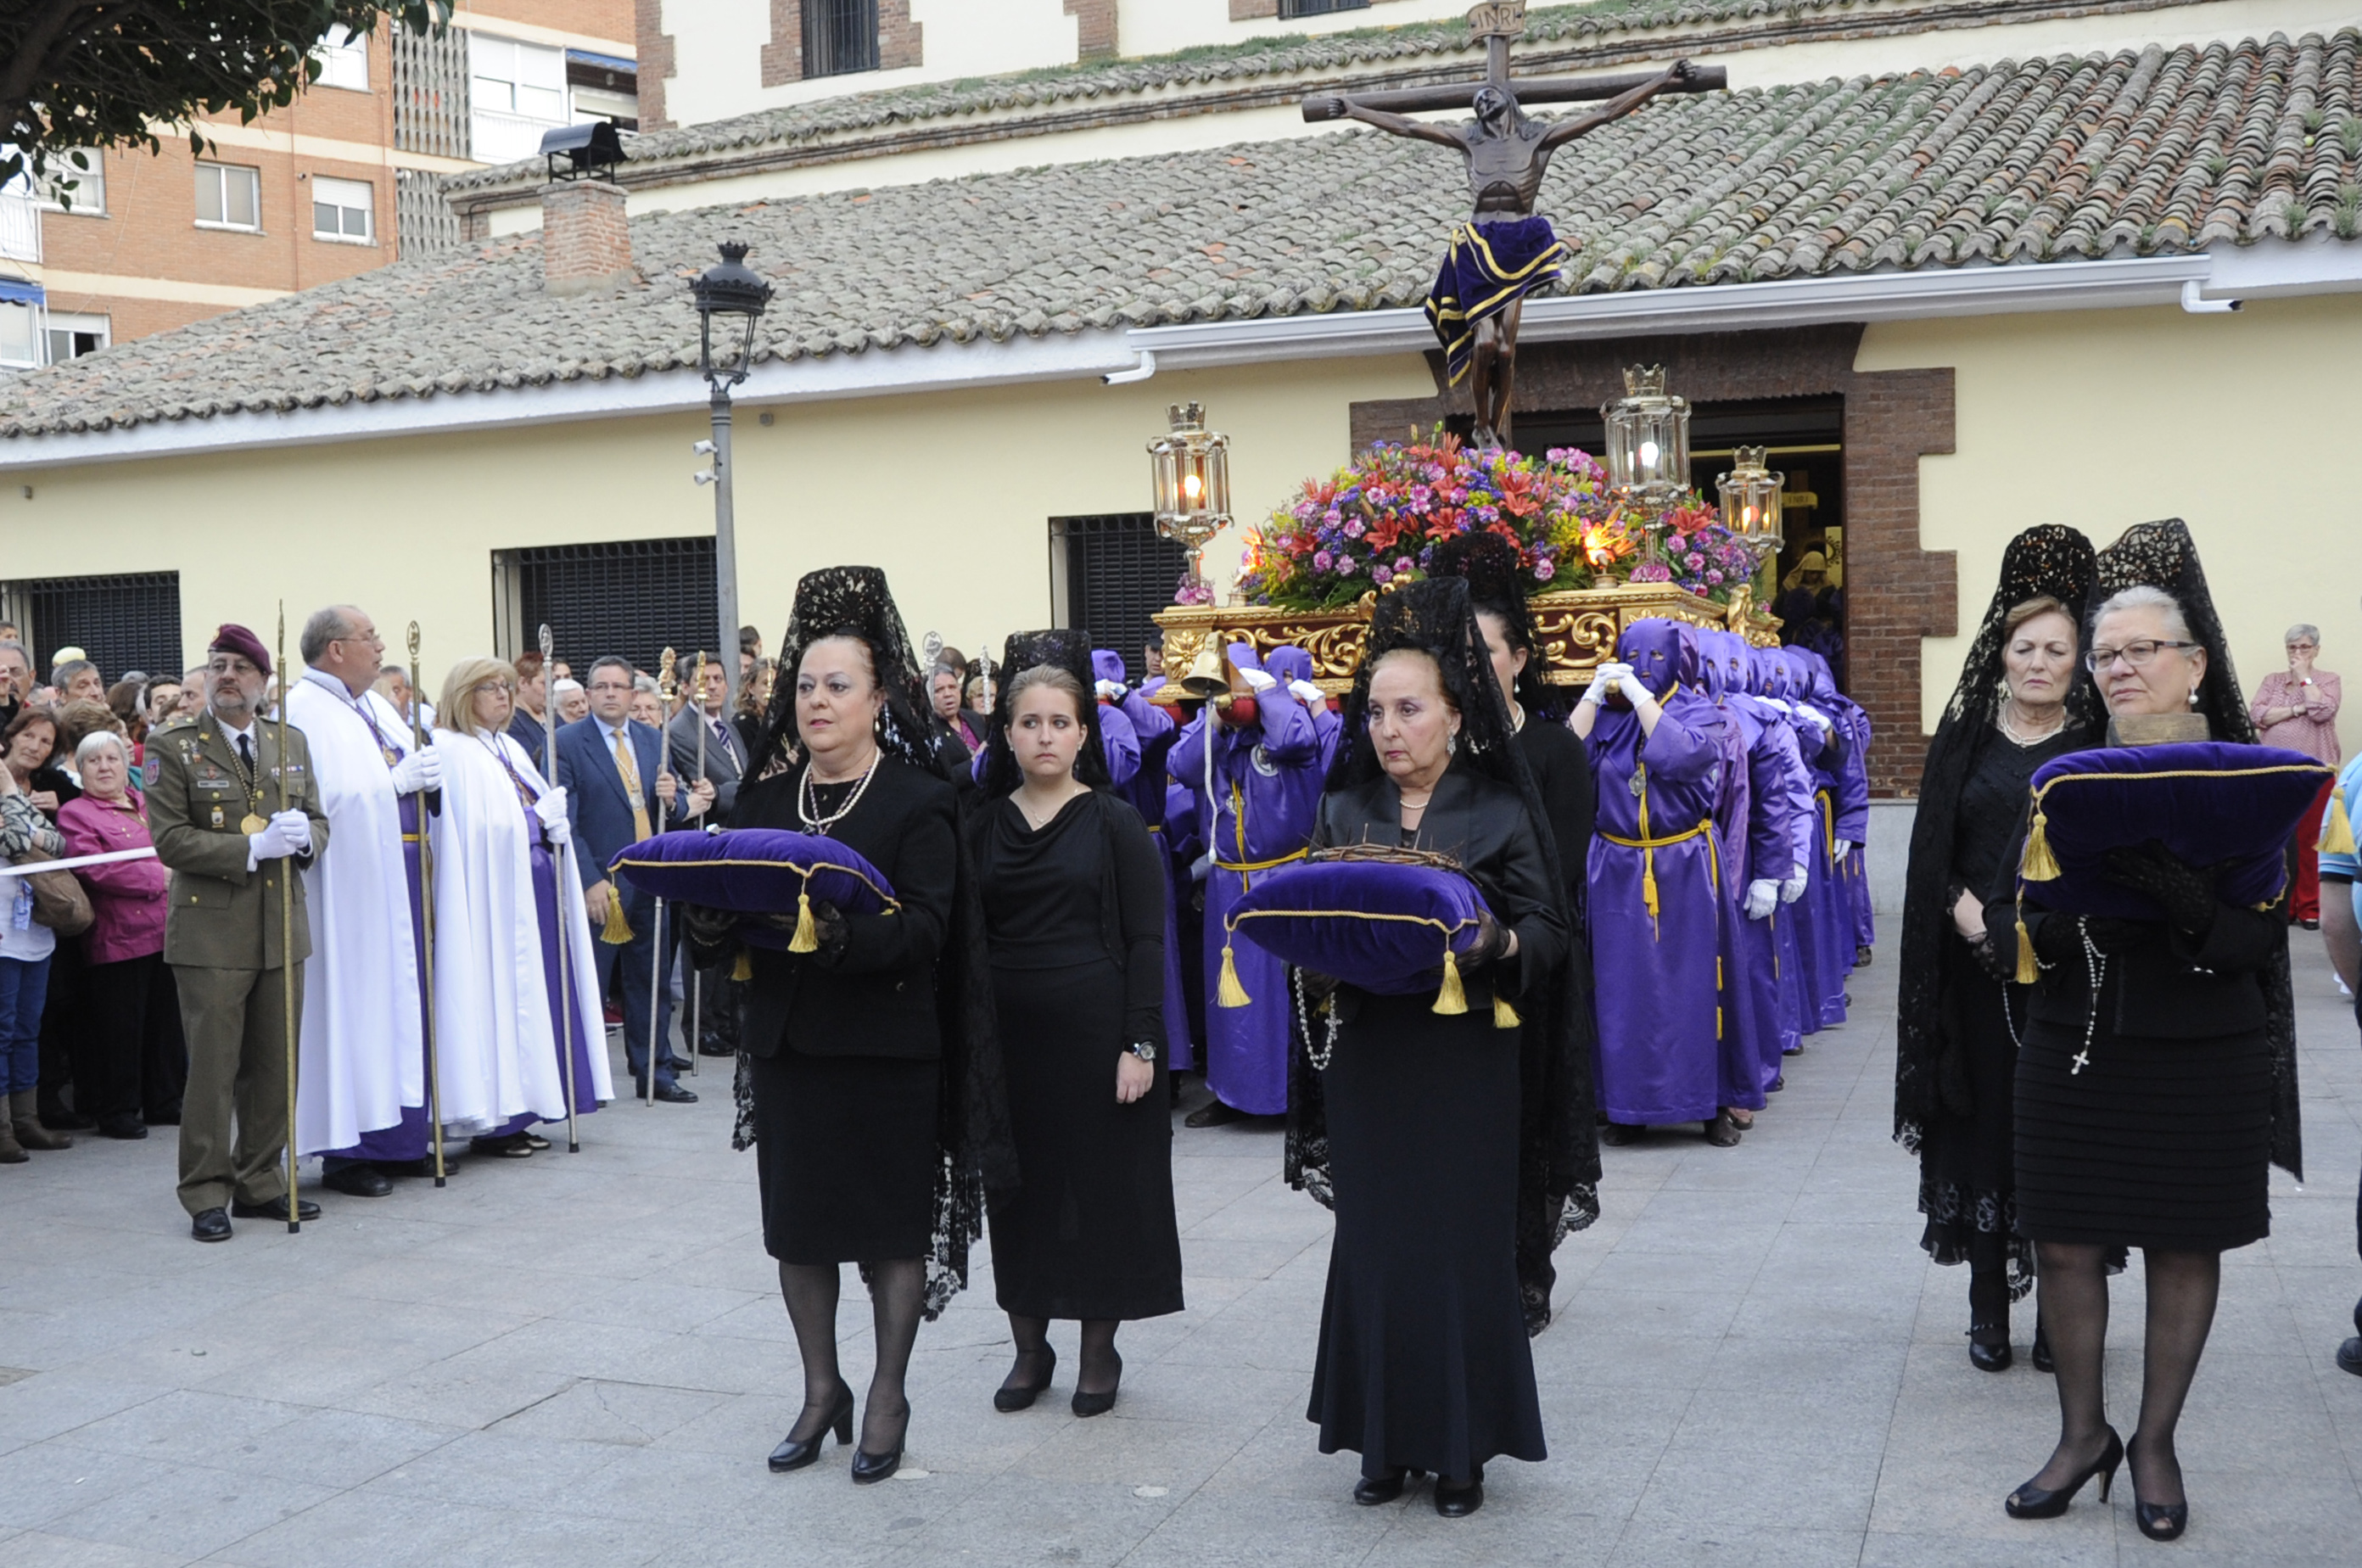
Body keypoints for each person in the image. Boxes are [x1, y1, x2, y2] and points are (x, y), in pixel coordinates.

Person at [1997, 520, 2299, 1541]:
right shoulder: (2066, 774)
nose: (2121, 669)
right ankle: (2082, 1435)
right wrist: (2046, 912)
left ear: (2195, 662)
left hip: (2203, 1045)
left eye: (2142, 651)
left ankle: (2157, 1443)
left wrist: (2182, 898)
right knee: (2066, 1241)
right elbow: (2017, 907)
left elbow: (2256, 946)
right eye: (2108, 654)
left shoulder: (2249, 775)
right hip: (2074, 1036)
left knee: (2183, 1243)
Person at [681, 565, 1008, 1486]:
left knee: (889, 1234)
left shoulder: (919, 799)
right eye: (806, 686)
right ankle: (821, 1388)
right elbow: (735, 915)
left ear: (878, 698)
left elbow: (932, 929)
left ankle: (888, 1392)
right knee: (801, 1230)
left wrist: (838, 939)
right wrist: (707, 920)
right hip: (790, 1048)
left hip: (888, 1049)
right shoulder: (765, 801)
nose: (817, 701)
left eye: (838, 686)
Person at [1291, 577, 1573, 1516]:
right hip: (1375, 1060)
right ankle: (1381, 1441)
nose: (1388, 728)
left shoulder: (1499, 808)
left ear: (1456, 714)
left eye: (1409, 709)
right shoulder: (1343, 808)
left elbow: (1550, 930)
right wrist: (1317, 962)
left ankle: (1460, 1454)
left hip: (1464, 1060)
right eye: (1374, 711)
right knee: (1375, 1245)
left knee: (1456, 1249)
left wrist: (1495, 944)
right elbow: (1313, 918)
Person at [1894, 526, 2102, 1373]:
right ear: (2003, 651)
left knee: (2059, 1138)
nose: (2041, 661)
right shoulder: (1967, 736)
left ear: (2079, 656)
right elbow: (1929, 854)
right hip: (1973, 980)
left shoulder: (2097, 744)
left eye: (2058, 648)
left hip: (2065, 978)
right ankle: (1988, 1308)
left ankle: (2065, 1319)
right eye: (2027, 647)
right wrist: (1967, 915)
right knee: (1983, 1133)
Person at [971, 636, 1181, 1419]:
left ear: (1083, 734)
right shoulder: (982, 827)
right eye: (1030, 723)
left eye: (1061, 722)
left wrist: (1142, 1042)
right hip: (1009, 1045)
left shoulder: (1116, 822)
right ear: (1010, 734)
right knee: (1016, 1195)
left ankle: (1100, 1351)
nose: (1046, 736)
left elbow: (1146, 940)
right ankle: (1031, 1350)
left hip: (1099, 1042)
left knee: (1101, 1196)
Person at [1426, 529, 1598, 1331]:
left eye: (1486, 650)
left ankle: (1529, 1269)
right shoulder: (1432, 748)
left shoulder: (1555, 750)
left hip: (1528, 961)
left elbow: (1556, 873)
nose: (1472, 665)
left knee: (1526, 1115)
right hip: (1437, 967)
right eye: (1457, 652)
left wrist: (1491, 930)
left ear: (1522, 658)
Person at [148, 624, 332, 1242]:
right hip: (211, 933)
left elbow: (318, 819)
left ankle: (260, 1180)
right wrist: (251, 847)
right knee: (213, 1070)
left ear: (262, 680)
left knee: (274, 1065)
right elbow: (169, 839)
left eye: (240, 668)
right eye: (217, 666)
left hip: (282, 926)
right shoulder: (173, 745)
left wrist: (307, 837)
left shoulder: (289, 740)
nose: (227, 676)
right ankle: (205, 1190)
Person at [287, 607, 442, 1196]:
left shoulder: (371, 704)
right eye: (369, 637)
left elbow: (406, 761)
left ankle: (397, 1138)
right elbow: (323, 800)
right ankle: (346, 1151)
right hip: (343, 892)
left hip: (391, 882)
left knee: (394, 1007)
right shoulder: (305, 711)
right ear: (334, 650)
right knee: (350, 1012)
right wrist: (393, 785)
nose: (380, 646)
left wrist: (428, 770)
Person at [429, 658, 608, 1147]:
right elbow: (472, 831)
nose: (503, 696)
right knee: (503, 998)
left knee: (537, 998)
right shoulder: (454, 751)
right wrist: (533, 821)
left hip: (535, 895)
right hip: (495, 902)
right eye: (490, 688)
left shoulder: (508, 746)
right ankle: (499, 1119)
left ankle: (528, 1108)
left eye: (507, 687)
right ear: (464, 694)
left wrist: (552, 825)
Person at [1576, 619, 1739, 1145]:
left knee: (1696, 986)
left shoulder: (1699, 712)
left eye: (1656, 656)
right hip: (1617, 866)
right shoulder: (1606, 717)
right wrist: (1589, 699)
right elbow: (1557, 765)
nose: (1644, 665)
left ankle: (1710, 1104)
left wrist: (1647, 702)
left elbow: (1686, 758)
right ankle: (1625, 1107)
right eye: (1633, 655)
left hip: (1685, 863)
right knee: (1622, 992)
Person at [1167, 647, 1321, 1127]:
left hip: (1284, 878)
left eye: (1233, 686)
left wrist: (1265, 692)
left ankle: (1292, 1095)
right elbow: (1182, 765)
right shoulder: (1214, 734)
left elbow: (1300, 739)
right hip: (1228, 885)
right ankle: (1233, 1093)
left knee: (1284, 995)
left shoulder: (1283, 725)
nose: (1228, 697)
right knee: (1229, 998)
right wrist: (1214, 714)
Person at [555, 656, 704, 1104]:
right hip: (602, 881)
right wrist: (588, 880)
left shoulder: (650, 737)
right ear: (588, 692)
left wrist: (674, 799)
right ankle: (584, 1080)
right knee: (592, 984)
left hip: (649, 876)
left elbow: (673, 805)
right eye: (601, 686)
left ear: (632, 693)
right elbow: (565, 820)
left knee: (651, 979)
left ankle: (653, 1070)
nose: (611, 694)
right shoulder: (565, 742)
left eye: (619, 686)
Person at [56, 730, 180, 1140]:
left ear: (126, 765)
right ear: (81, 768)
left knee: (165, 1024)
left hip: (168, 931)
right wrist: (158, 877)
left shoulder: (147, 803)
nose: (104, 767)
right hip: (119, 937)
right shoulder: (76, 813)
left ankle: (163, 1101)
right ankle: (118, 1110)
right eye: (94, 761)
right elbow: (96, 867)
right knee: (120, 1030)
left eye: (112, 758)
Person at [669, 650, 747, 1058]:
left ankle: (724, 1020)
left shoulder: (727, 729)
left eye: (718, 678)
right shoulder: (682, 731)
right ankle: (700, 1028)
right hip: (704, 841)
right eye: (704, 679)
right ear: (684, 687)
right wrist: (734, 791)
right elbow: (707, 787)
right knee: (701, 933)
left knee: (727, 935)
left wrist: (733, 790)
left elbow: (738, 782)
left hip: (734, 842)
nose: (712, 685)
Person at [0, 753, 70, 1161]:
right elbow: (14, 842)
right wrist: (13, 797)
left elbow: (58, 843)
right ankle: (2, 1126)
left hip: (33, 933)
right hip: (3, 938)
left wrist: (14, 806)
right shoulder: (15, 798)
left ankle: (27, 1121)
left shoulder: (14, 803)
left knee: (28, 1029)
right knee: (2, 1032)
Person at [2249, 624, 2342, 927]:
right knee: (2276, 839)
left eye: (2304, 647)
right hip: (2273, 771)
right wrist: (2298, 707)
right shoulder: (2272, 681)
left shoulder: (2328, 680)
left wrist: (2304, 677)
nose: (2297, 653)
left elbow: (2321, 711)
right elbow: (2257, 715)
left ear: (2316, 650)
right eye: (2292, 648)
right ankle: (2283, 904)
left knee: (2311, 840)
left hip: (2315, 770)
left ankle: (2310, 907)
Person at [508, 649, 551, 769]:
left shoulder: (553, 717)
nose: (550, 690)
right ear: (523, 683)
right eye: (544, 683)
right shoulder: (512, 723)